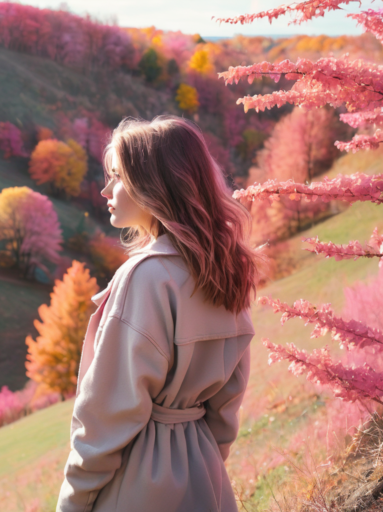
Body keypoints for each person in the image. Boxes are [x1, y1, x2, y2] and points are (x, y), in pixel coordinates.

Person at [56, 115, 260, 512]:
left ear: (152, 184)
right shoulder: (225, 272)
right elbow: (227, 405)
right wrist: (202, 464)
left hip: (135, 488)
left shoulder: (145, 278)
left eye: (118, 176)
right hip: (207, 479)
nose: (105, 189)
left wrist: (73, 502)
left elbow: (107, 415)